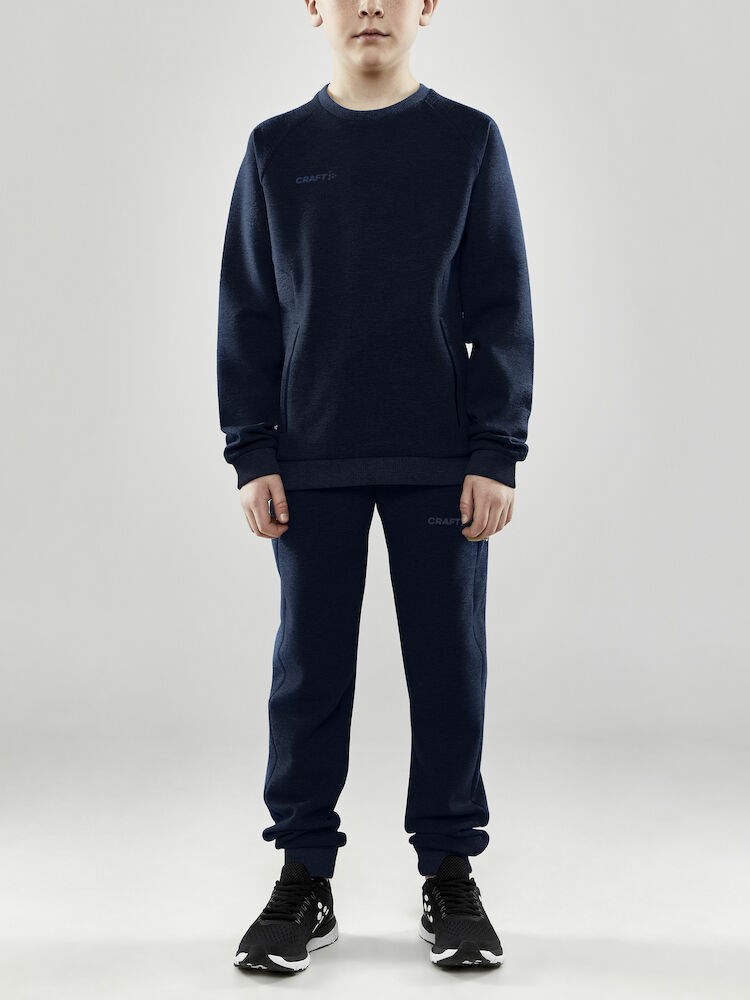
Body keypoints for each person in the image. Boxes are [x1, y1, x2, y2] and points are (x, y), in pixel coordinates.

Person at [216, 0, 534, 975]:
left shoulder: (468, 142)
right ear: (313, 7)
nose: (368, 6)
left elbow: (501, 302)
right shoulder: (276, 150)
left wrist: (495, 449)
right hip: (310, 462)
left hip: (440, 459)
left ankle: (450, 872)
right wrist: (252, 450)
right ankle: (303, 876)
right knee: (308, 674)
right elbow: (248, 309)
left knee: (448, 671)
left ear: (426, 6)